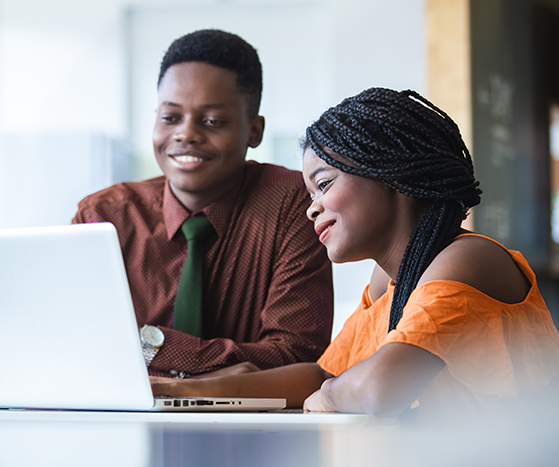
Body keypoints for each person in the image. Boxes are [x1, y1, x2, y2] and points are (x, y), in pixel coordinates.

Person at [151, 87, 559, 420]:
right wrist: (183, 389)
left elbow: (374, 388)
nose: (310, 207)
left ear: (392, 173)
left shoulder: (469, 259)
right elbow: (327, 371)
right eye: (309, 194)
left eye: (324, 185)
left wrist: (326, 398)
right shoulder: (388, 281)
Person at [72, 29, 333, 378]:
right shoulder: (103, 216)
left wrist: (148, 345)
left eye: (213, 121)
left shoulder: (293, 203)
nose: (186, 134)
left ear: (254, 131)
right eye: (170, 117)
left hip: (255, 429)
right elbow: (76, 344)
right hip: (123, 424)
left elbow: (294, 356)